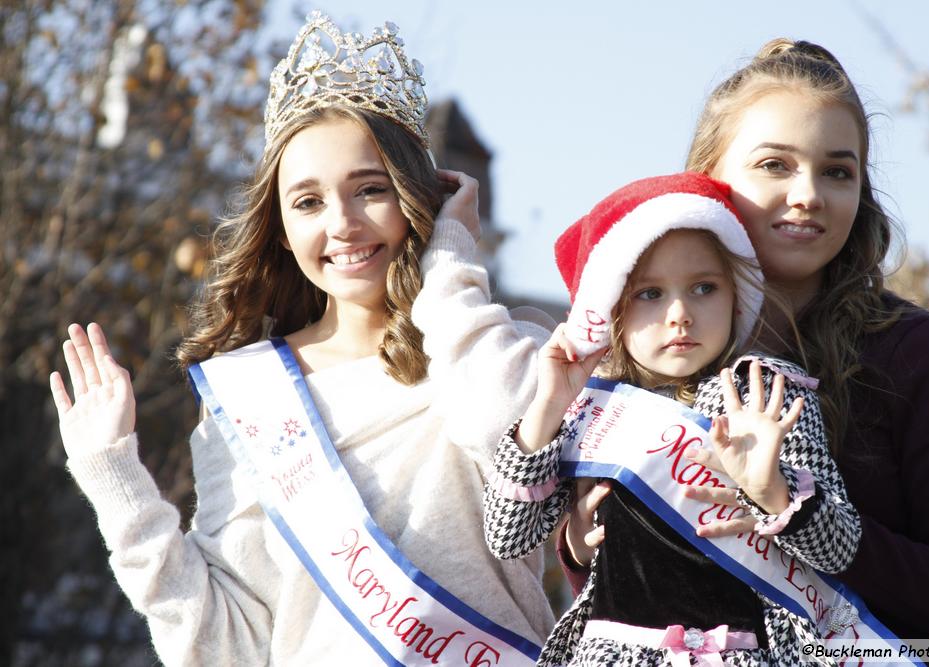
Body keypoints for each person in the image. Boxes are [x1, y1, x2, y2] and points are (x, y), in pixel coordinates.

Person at [48, 11, 555, 665]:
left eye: (370, 190)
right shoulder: (247, 394)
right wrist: (114, 475)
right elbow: (220, 644)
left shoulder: (501, 351)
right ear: (281, 230)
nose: (342, 223)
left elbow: (527, 485)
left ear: (415, 197)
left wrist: (453, 258)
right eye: (308, 202)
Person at [561, 38, 929, 641]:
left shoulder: (914, 351)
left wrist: (800, 516)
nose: (808, 194)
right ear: (705, 179)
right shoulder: (640, 353)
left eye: (837, 171)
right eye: (775, 165)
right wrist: (582, 547)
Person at [485, 172, 862, 665]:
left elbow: (841, 549)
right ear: (612, 310)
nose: (680, 313)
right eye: (650, 294)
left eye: (704, 287)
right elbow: (508, 536)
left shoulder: (766, 390)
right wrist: (548, 407)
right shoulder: (594, 408)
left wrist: (774, 488)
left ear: (736, 294)